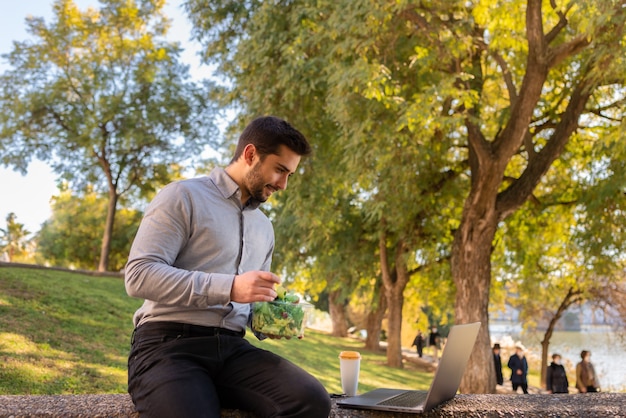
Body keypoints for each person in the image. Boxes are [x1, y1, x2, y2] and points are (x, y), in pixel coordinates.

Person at [124, 116, 331, 418]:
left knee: (311, 400)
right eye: (280, 170)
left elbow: (250, 302)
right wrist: (231, 286)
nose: (284, 185)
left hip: (233, 351)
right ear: (250, 155)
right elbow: (139, 275)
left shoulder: (264, 227)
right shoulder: (183, 196)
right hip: (167, 345)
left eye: (290, 175)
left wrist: (273, 318)